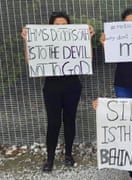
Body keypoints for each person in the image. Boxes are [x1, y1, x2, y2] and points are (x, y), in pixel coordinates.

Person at [21, 11, 95, 172]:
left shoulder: (74, 40)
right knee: (53, 123)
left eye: (64, 25)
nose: (61, 28)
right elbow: (30, 60)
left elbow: (87, 58)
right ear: (51, 27)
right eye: (57, 25)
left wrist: (87, 38)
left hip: (72, 85)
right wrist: (28, 40)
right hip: (52, 87)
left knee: (70, 121)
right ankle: (50, 158)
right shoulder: (45, 41)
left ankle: (68, 154)